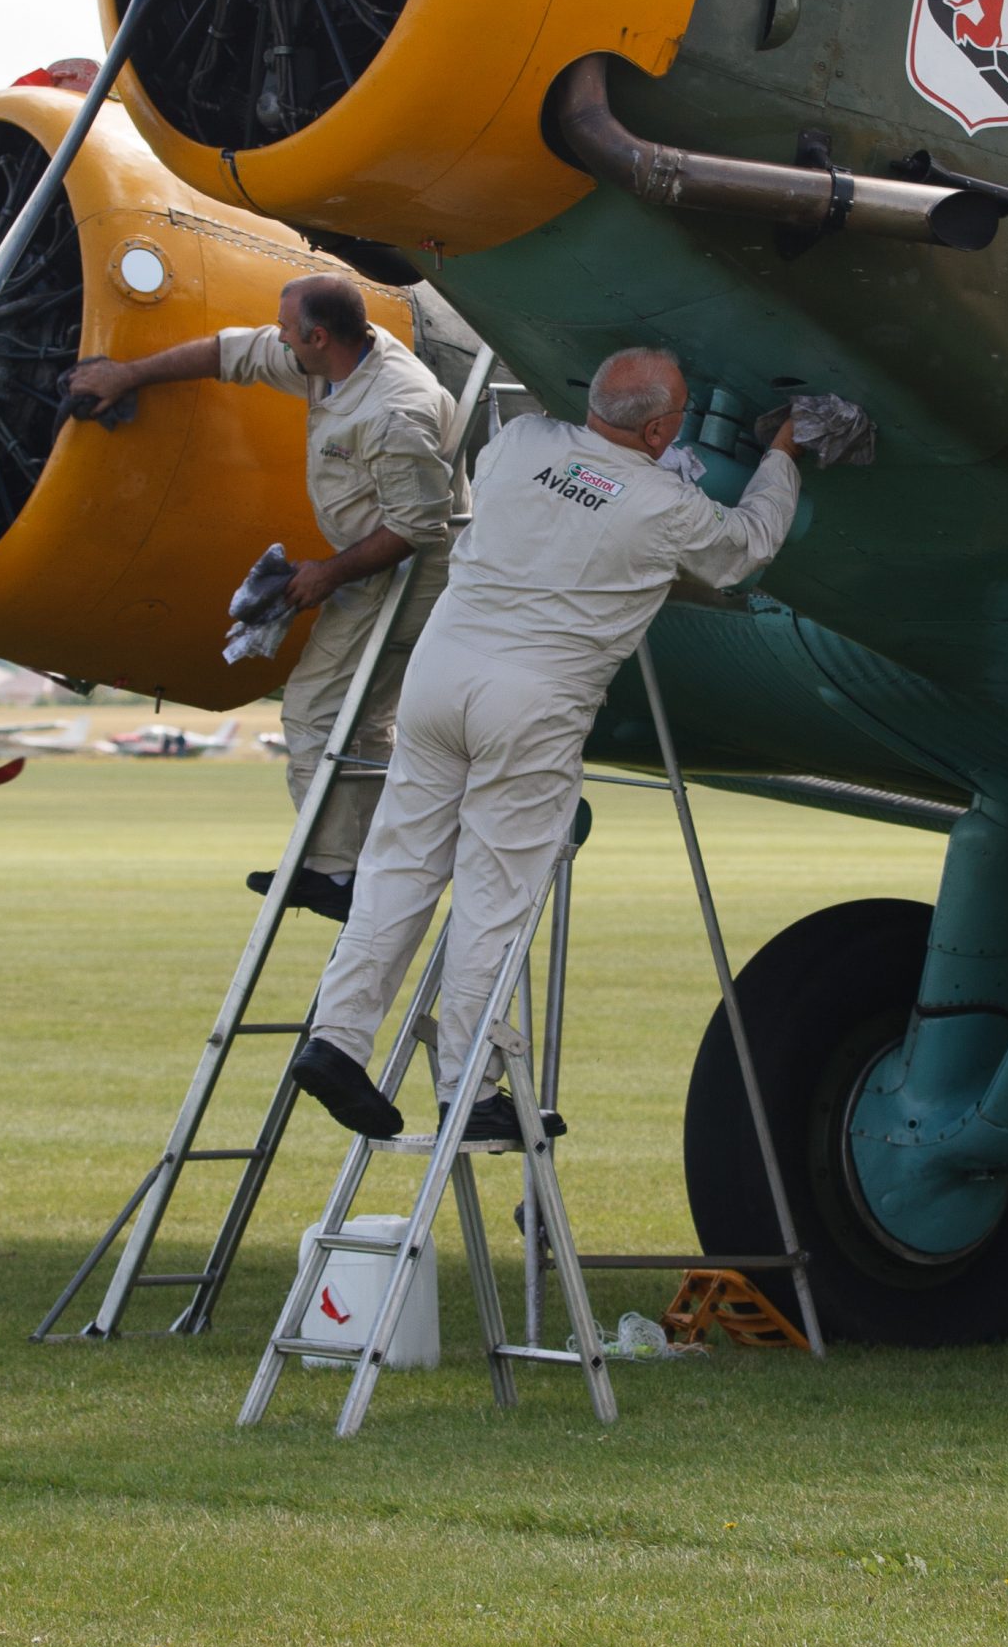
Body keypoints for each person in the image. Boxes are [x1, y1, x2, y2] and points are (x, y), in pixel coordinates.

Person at [290, 346, 805, 1145]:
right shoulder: (663, 505)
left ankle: (336, 1038)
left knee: (398, 864)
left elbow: (572, 485)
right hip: (530, 701)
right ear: (665, 426)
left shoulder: (525, 440)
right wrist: (780, 455)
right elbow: (747, 548)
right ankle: (466, 1089)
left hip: (438, 677)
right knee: (493, 898)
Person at [65, 274, 460, 917]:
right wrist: (128, 375)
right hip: (367, 568)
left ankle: (339, 873)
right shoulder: (327, 361)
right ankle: (366, 861)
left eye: (286, 329)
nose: (277, 337)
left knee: (313, 712)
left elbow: (417, 527)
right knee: (356, 718)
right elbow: (231, 352)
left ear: (319, 336)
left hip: (406, 576)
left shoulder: (394, 409)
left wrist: (326, 573)